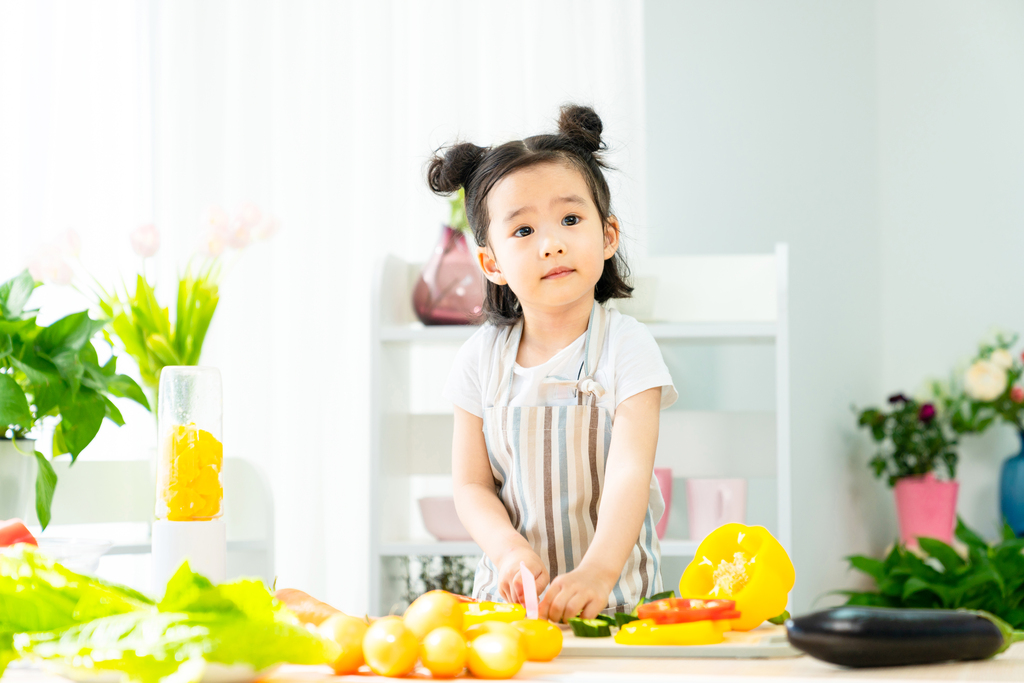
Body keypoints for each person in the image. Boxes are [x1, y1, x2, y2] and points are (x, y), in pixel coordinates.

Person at [427, 104, 678, 622]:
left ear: (607, 235)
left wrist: (598, 572)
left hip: (618, 607)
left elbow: (630, 472)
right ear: (490, 262)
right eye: (523, 231)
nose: (552, 243)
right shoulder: (479, 360)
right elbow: (471, 485)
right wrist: (506, 550)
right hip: (512, 613)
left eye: (570, 218)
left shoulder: (628, 347)